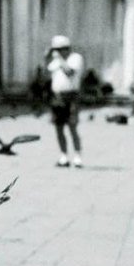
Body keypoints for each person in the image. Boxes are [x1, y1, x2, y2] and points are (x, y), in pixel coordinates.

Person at [46, 35, 84, 167]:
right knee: (58, 127)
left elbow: (69, 73)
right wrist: (47, 58)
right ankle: (64, 156)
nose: (56, 52)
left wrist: (59, 60)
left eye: (58, 49)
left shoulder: (76, 58)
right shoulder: (56, 61)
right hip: (57, 96)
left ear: (66, 49)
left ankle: (77, 155)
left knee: (72, 126)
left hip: (71, 95)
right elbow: (47, 71)